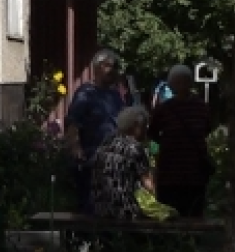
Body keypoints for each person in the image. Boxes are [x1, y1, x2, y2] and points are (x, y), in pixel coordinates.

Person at [63, 50, 132, 213]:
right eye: (109, 66)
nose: (114, 70)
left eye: (116, 67)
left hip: (114, 160)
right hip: (91, 159)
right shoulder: (85, 93)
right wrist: (75, 148)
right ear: (97, 68)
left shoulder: (115, 95)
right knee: (90, 207)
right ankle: (86, 238)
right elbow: (73, 124)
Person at [147, 65, 214, 218]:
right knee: (174, 214)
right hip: (173, 173)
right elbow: (152, 132)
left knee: (190, 214)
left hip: (190, 173)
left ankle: (189, 241)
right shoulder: (165, 109)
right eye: (177, 82)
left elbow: (152, 133)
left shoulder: (199, 106)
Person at [90, 106, 153, 220]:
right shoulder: (135, 147)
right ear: (135, 126)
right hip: (125, 210)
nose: (146, 131)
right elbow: (148, 185)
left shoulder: (105, 143)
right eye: (145, 127)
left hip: (100, 209)